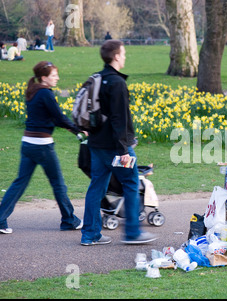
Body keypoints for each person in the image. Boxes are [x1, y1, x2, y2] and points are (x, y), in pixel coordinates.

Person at [81, 40, 157, 246]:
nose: (125, 56)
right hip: (116, 149)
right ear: (115, 56)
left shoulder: (97, 78)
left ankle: (90, 234)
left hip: (96, 146)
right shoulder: (117, 83)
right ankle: (132, 232)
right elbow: (119, 120)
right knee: (131, 182)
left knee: (96, 187)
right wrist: (124, 149)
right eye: (123, 53)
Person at [0, 61, 84, 234]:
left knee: (20, 182)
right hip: (42, 147)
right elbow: (59, 117)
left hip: (27, 143)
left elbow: (51, 117)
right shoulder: (45, 93)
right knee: (58, 184)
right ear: (44, 78)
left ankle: (0, 219)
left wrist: (70, 128)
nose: (57, 78)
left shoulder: (33, 91)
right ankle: (69, 220)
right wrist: (78, 129)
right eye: (54, 75)